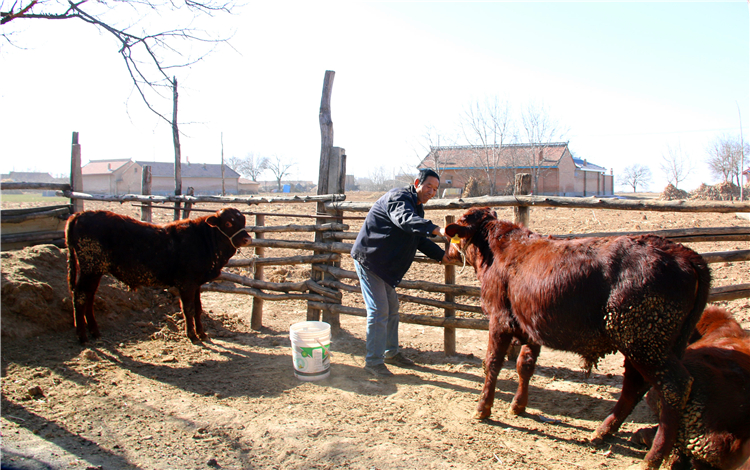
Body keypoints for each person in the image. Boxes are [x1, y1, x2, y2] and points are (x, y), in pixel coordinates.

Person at [351, 169, 450, 377]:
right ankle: (373, 363)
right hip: (370, 259)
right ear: (417, 183)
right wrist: (436, 229)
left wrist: (441, 256)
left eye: (435, 189)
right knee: (379, 310)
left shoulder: (416, 207)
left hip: (384, 265)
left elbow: (419, 239)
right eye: (428, 187)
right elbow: (404, 220)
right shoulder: (399, 198)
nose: (431, 192)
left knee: (391, 308)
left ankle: (390, 353)